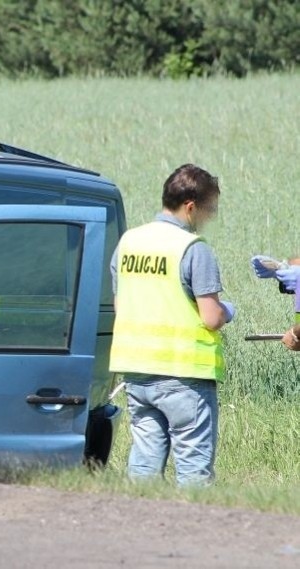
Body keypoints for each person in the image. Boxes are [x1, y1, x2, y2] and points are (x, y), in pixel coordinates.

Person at [109, 164, 234, 487]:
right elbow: (210, 317)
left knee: (144, 465)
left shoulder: (129, 243)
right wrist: (227, 311)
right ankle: (192, 533)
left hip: (136, 371)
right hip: (184, 376)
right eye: (210, 210)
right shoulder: (193, 249)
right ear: (191, 207)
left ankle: (140, 528)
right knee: (193, 470)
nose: (211, 218)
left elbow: (122, 306)